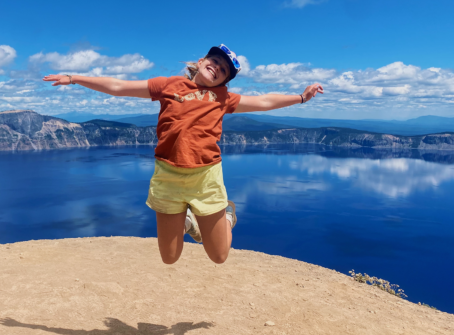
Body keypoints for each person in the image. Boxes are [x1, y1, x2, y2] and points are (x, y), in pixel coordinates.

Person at [43, 44, 323, 265]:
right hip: (168, 177)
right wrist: (74, 78)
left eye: (224, 70)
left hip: (206, 178)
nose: (217, 68)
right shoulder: (168, 86)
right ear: (201, 61)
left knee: (219, 256)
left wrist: (300, 97)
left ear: (225, 80)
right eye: (214, 61)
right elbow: (119, 86)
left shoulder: (224, 98)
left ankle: (227, 216)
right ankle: (188, 220)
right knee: (169, 257)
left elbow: (263, 102)